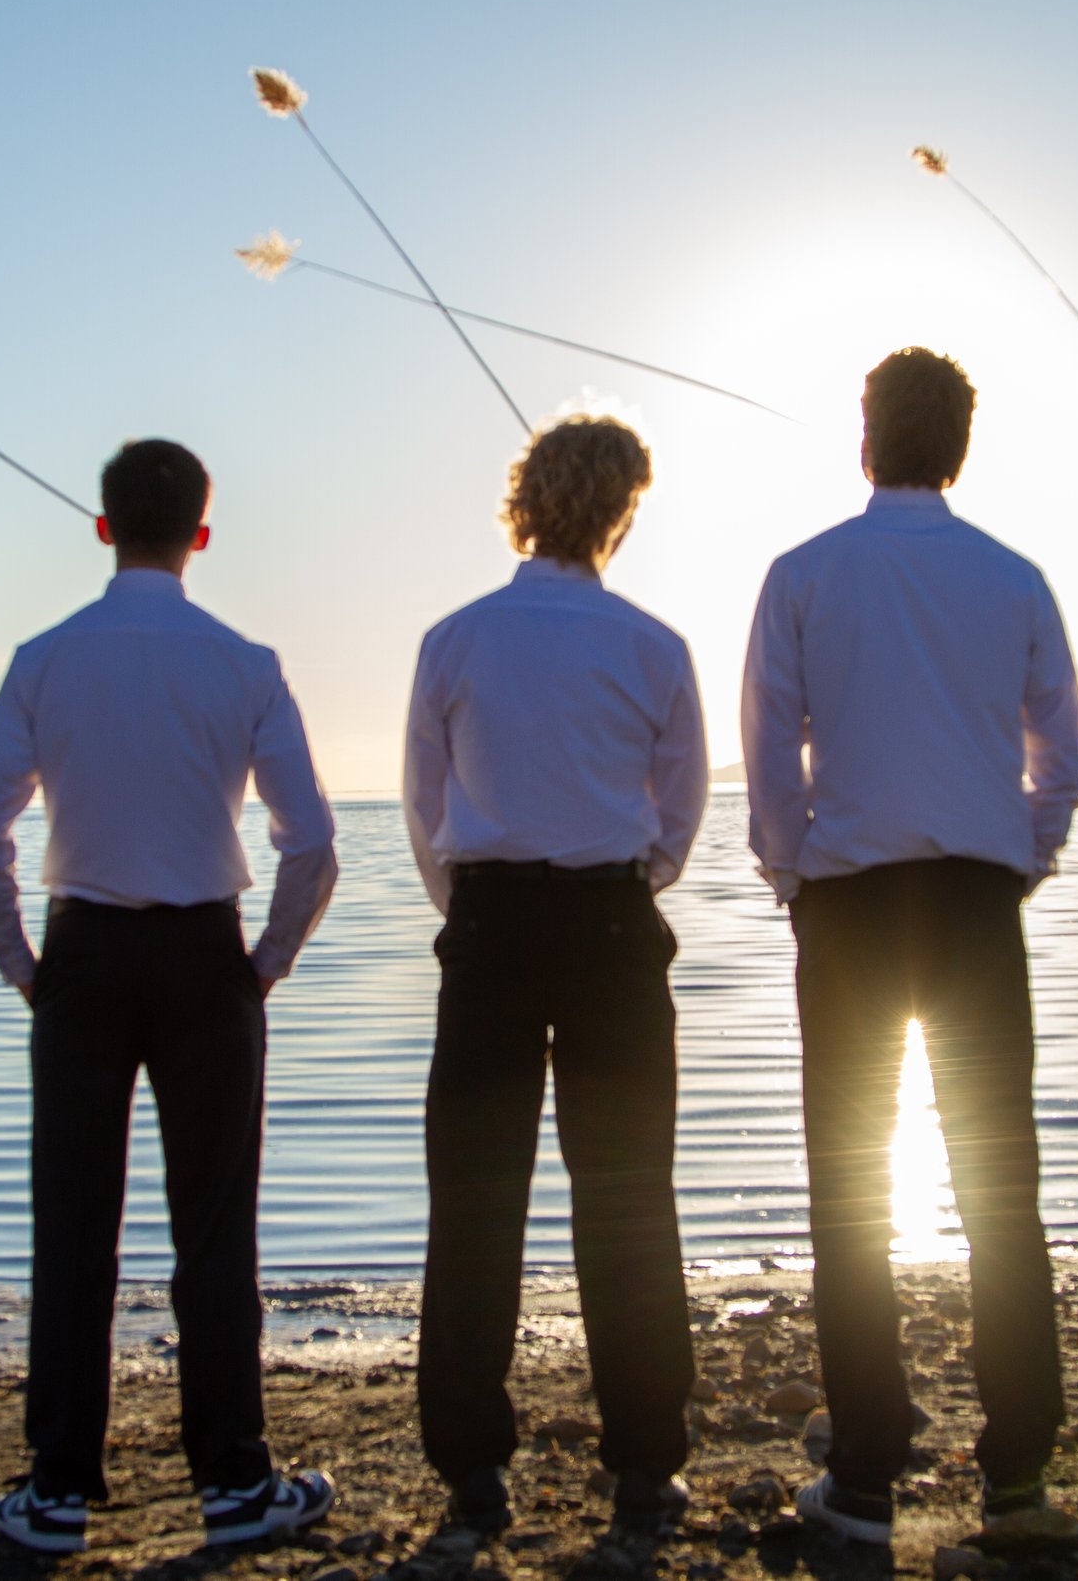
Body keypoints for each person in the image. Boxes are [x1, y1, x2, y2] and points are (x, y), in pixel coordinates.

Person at [0, 439, 341, 1553]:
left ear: (101, 525)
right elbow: (310, 842)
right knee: (215, 1228)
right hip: (203, 958)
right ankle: (232, 1478)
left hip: (81, 956)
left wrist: (23, 962)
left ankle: (59, 1487)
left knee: (72, 1225)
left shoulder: (44, 658)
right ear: (201, 536)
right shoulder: (245, 662)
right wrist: (265, 960)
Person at [742, 348, 1078, 1546]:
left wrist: (794, 878)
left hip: (848, 905)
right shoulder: (1015, 578)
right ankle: (1019, 1475)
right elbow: (1062, 760)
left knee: (850, 1192)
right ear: (961, 446)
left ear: (865, 435)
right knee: (1002, 1189)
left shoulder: (802, 574)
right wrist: (1019, 861)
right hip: (978, 901)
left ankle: (870, 1477)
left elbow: (769, 754)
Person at [404, 416, 707, 1536]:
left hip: (489, 929)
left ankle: (472, 1467)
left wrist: (481, 908)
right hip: (610, 930)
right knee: (627, 1194)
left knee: (475, 1200)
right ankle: (642, 1461)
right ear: (621, 509)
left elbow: (425, 813)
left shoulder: (455, 639)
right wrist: (615, 888)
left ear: (523, 500)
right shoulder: (652, 645)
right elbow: (676, 820)